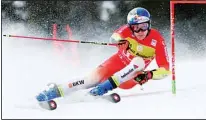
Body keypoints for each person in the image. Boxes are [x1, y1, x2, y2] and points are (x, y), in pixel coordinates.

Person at [36, 7, 170, 102]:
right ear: (130, 27)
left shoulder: (157, 40)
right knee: (90, 79)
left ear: (149, 25)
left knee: (139, 61)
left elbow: (165, 69)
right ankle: (53, 92)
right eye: (136, 27)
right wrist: (120, 41)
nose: (140, 31)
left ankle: (102, 89)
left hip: (130, 77)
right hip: (116, 63)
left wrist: (149, 74)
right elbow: (114, 37)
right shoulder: (126, 31)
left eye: (144, 26)